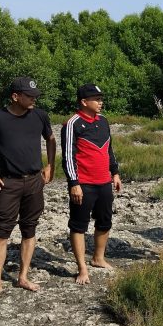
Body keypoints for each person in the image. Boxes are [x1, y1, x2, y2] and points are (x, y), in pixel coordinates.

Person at [0, 77, 56, 302]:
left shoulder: (39, 116)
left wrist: (50, 165)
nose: (34, 100)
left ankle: (23, 277)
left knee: (30, 229)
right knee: (2, 234)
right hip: (8, 183)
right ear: (15, 96)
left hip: (34, 181)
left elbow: (50, 138)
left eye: (35, 96)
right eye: (29, 96)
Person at [61, 83, 122, 284]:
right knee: (79, 226)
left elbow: (109, 150)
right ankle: (82, 268)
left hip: (104, 181)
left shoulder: (104, 122)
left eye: (101, 99)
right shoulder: (72, 124)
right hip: (84, 183)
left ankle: (98, 258)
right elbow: (68, 156)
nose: (100, 102)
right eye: (96, 99)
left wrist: (115, 172)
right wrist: (73, 183)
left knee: (104, 222)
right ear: (84, 102)